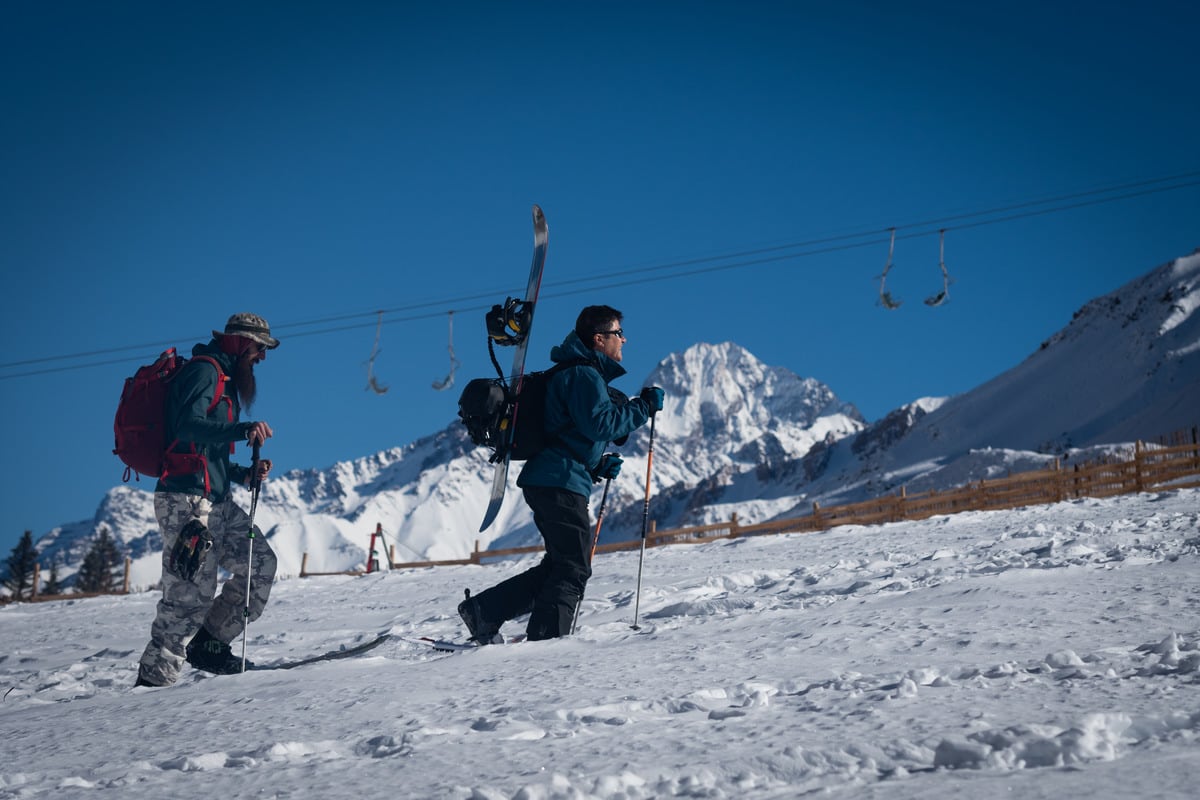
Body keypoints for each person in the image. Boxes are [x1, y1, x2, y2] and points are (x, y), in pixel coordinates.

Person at [458, 305, 664, 643]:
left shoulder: (577, 373)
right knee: (572, 568)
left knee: (561, 565)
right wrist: (643, 406)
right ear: (599, 339)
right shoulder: (583, 375)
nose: (623, 340)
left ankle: (485, 612)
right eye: (618, 334)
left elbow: (566, 431)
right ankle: (547, 641)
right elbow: (600, 424)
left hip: (556, 478)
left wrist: (596, 465)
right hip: (558, 482)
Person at [135, 313, 280, 687]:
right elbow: (185, 427)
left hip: (216, 498)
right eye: (260, 348)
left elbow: (205, 450)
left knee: (259, 563)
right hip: (185, 502)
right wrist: (241, 428)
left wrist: (241, 474)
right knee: (188, 596)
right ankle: (154, 682)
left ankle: (210, 645)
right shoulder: (205, 372)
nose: (262, 357)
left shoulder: (226, 379)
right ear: (239, 342)